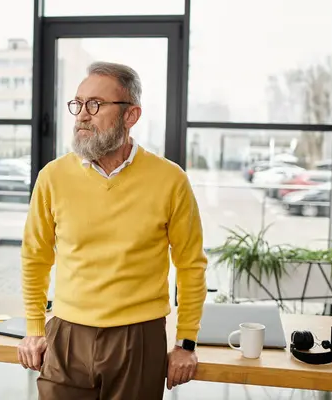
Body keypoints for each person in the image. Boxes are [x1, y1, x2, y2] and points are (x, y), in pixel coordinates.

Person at [18, 61, 208, 399]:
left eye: (95, 104)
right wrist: (34, 328)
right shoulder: (53, 177)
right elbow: (35, 258)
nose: (81, 115)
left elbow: (191, 266)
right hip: (66, 334)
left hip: (139, 338)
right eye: (78, 104)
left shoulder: (170, 179)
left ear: (130, 115)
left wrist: (186, 342)